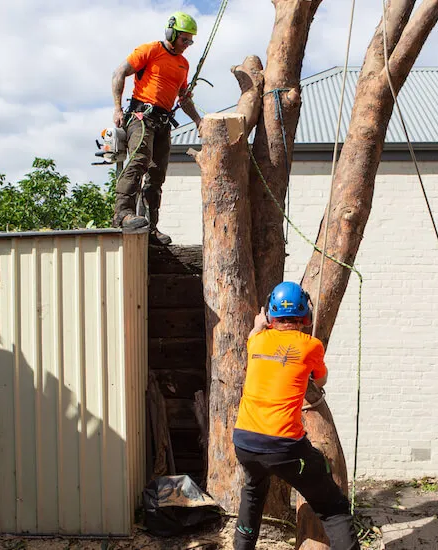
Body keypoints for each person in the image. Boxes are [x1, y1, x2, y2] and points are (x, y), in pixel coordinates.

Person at [232, 282, 357, 550]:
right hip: (284, 446)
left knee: (253, 491)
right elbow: (320, 380)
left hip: (245, 441)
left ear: (270, 315)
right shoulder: (311, 345)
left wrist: (259, 323)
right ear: (305, 315)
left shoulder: (256, 340)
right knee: (333, 507)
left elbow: (255, 333)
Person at [110, 11, 202, 241]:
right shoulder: (150, 50)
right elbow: (119, 73)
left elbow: (183, 97)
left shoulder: (183, 64)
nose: (187, 45)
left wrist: (199, 121)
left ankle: (151, 227)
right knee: (139, 159)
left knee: (157, 174)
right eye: (184, 40)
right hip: (142, 116)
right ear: (171, 33)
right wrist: (117, 108)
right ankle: (123, 214)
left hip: (163, 122)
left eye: (191, 41)